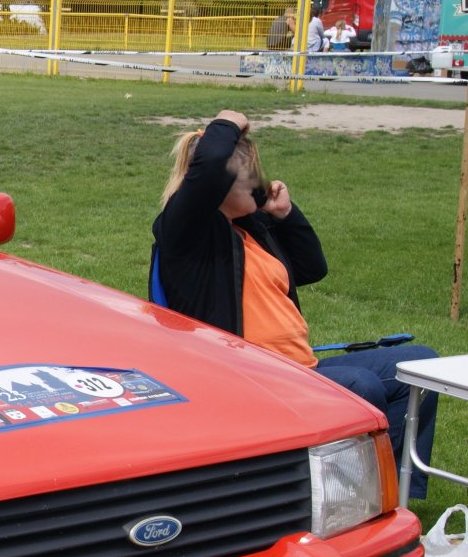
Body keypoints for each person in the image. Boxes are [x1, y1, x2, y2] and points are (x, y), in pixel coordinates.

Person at [151, 110, 437, 498]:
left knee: (420, 366)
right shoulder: (187, 232)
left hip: (300, 367)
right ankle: (347, 498)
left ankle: (395, 491)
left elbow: (312, 268)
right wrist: (229, 121)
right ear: (219, 184)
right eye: (251, 176)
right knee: (362, 386)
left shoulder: (251, 230)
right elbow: (211, 164)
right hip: (249, 376)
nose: (260, 184)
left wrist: (285, 215)